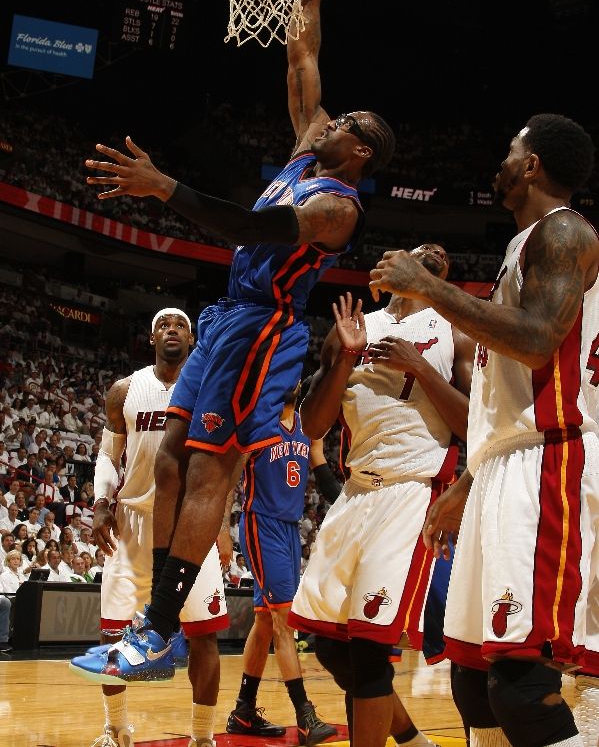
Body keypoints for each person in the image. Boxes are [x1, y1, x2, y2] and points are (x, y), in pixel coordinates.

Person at [80, 0, 396, 681]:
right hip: (225, 318)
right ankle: (156, 622)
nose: (326, 119)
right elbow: (300, 51)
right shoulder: (303, 155)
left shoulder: (335, 206)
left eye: (342, 121)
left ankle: (158, 627)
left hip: (263, 328)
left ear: (359, 153)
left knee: (209, 472)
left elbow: (247, 229)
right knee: (161, 460)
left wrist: (163, 187)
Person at [369, 115, 599, 747]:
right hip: (502, 466)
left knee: (521, 685)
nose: (501, 161)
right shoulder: (521, 246)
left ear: (532, 166)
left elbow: (536, 341)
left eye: (510, 150)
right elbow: (503, 398)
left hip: (548, 461)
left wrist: (430, 288)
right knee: (473, 683)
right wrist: (468, 481)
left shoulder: (565, 232)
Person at [289, 244, 475, 747]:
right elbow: (313, 424)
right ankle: (413, 740)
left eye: (442, 253)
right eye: (420, 248)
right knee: (327, 645)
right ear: (386, 271)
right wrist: (344, 360)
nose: (435, 250)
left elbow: (472, 426)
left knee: (370, 652)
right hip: (354, 494)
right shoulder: (355, 325)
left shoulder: (453, 330)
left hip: (409, 495)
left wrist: (421, 368)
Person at [69, 309, 229, 747]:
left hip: (189, 523)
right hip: (133, 522)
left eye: (180, 324)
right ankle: (116, 727)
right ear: (151, 335)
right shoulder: (125, 390)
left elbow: (223, 462)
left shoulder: (210, 389)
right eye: (164, 324)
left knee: (204, 636)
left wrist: (222, 523)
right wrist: (101, 502)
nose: (172, 329)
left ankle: (202, 737)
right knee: (113, 634)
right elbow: (107, 455)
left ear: (192, 338)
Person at [226, 382, 337, 746]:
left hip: (290, 529)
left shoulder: (307, 424)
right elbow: (231, 475)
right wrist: (219, 529)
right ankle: (304, 716)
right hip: (261, 523)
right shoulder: (258, 422)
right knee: (283, 619)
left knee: (264, 618)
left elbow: (320, 467)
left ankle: (243, 711)